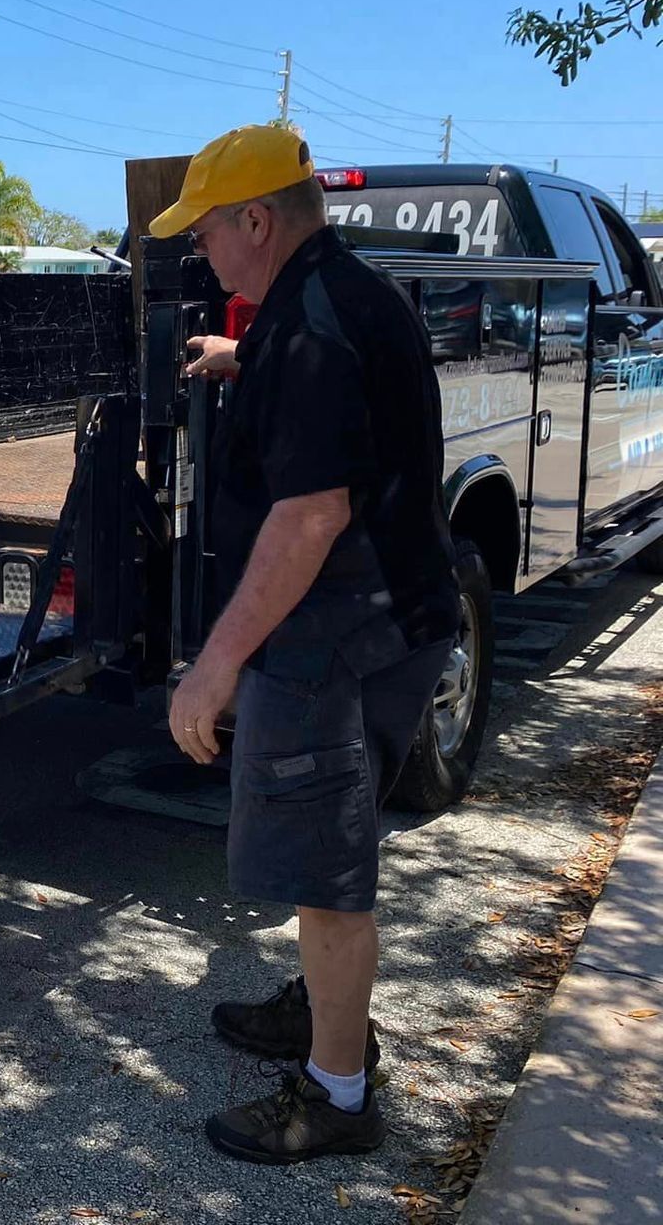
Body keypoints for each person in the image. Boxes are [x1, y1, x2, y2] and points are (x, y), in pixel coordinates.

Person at [152, 126, 457, 1164]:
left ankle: (336, 1092)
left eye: (205, 235)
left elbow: (311, 516)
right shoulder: (328, 299)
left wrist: (216, 660)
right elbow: (323, 379)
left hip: (336, 637)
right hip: (391, 622)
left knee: (328, 874)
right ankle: (321, 1010)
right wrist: (245, 357)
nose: (201, 255)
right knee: (332, 839)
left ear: (255, 219)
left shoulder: (314, 329)